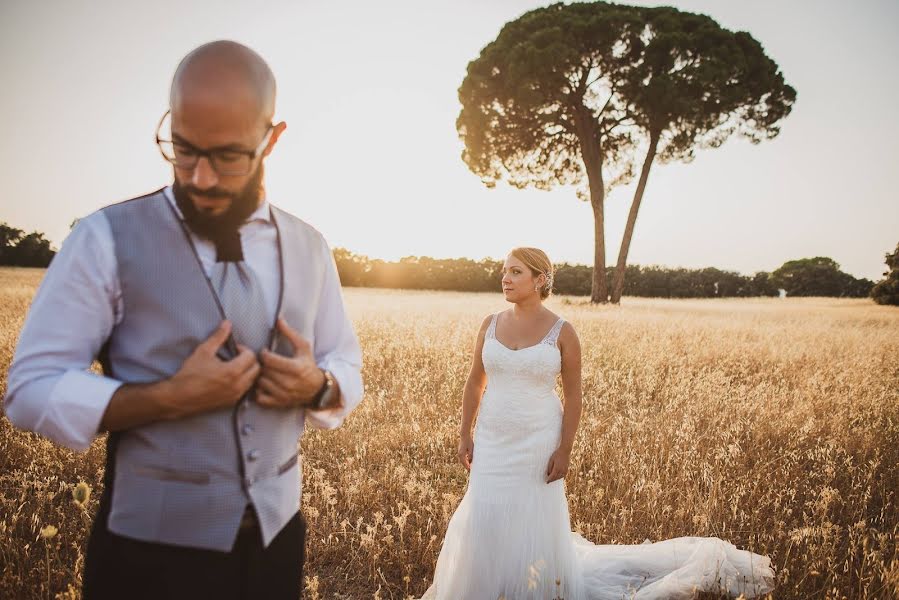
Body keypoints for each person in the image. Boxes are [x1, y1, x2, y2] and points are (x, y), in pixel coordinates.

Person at [4, 40, 363, 600]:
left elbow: (344, 359)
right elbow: (30, 390)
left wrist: (318, 385)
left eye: (226, 156)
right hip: (147, 559)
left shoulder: (311, 246)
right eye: (183, 149)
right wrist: (167, 398)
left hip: (278, 547)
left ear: (272, 139)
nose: (199, 178)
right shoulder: (102, 239)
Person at [419, 247, 774, 600]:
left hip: (538, 438)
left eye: (515, 272)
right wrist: (465, 433)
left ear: (539, 280)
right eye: (504, 271)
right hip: (493, 435)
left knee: (532, 515)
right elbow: (474, 382)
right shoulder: (490, 324)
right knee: (485, 510)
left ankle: (536, 588)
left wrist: (565, 449)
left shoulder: (562, 331)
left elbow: (574, 397)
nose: (505, 278)